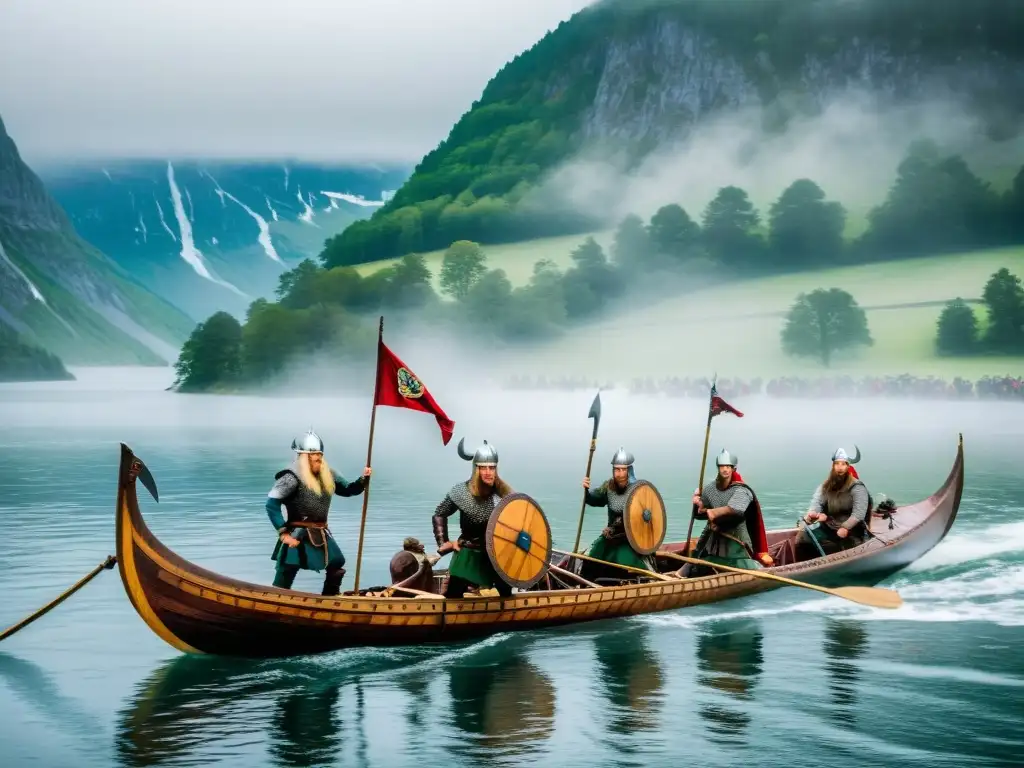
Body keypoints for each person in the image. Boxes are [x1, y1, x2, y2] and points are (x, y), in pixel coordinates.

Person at [265, 429, 371, 595]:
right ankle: (276, 598)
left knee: (336, 562)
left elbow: (348, 490)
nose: (318, 458)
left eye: (320, 454)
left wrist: (363, 480)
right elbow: (272, 504)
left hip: (320, 532)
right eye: (313, 454)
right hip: (296, 532)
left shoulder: (328, 474)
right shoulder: (291, 476)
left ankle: (330, 599)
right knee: (287, 567)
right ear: (303, 456)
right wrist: (283, 533)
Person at [432, 438, 514, 598]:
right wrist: (444, 542)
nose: (488, 472)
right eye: (483, 467)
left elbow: (519, 521)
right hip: (468, 552)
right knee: (452, 596)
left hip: (496, 555)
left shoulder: (504, 494)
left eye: (492, 467)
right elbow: (440, 514)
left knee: (506, 594)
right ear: (475, 468)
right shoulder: (462, 492)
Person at [681, 448, 772, 577]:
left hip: (737, 542)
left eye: (728, 466)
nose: (725, 469)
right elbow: (700, 515)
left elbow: (735, 511)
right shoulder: (710, 489)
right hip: (714, 540)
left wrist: (712, 513)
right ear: (718, 468)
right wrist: (698, 504)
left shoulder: (742, 490)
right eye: (722, 466)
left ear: (733, 468)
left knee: (744, 566)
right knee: (699, 558)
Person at [580, 448, 656, 581]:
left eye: (623, 470)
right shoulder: (608, 487)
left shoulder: (639, 490)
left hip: (631, 541)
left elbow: (650, 518)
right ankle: (587, 584)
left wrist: (646, 517)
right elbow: (594, 499)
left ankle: (643, 580)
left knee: (624, 560)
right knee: (594, 553)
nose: (620, 474)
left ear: (629, 470)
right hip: (612, 535)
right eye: (617, 469)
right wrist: (586, 491)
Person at [794, 447, 871, 561]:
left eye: (843, 464)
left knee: (833, 545)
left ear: (848, 466)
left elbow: (859, 513)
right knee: (802, 538)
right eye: (837, 464)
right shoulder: (826, 486)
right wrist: (812, 514)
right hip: (830, 527)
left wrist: (845, 527)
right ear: (833, 466)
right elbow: (817, 503)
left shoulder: (857, 487)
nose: (840, 467)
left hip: (851, 531)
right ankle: (800, 568)